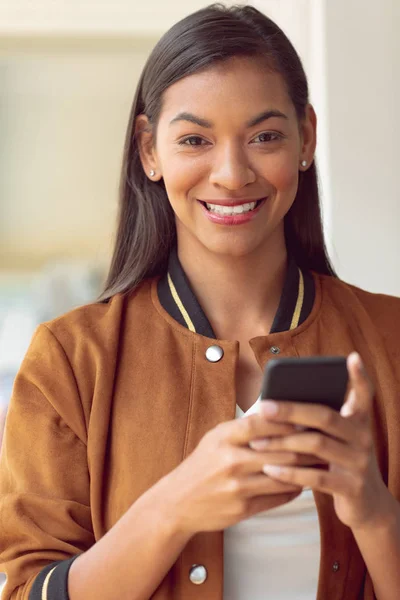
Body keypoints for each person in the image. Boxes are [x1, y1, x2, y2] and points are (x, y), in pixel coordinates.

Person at [0, 4, 399, 599]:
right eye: (195, 139)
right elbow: (27, 589)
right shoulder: (68, 358)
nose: (233, 173)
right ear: (149, 150)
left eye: (265, 136)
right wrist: (174, 505)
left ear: (306, 138)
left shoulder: (392, 335)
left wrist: (371, 509)